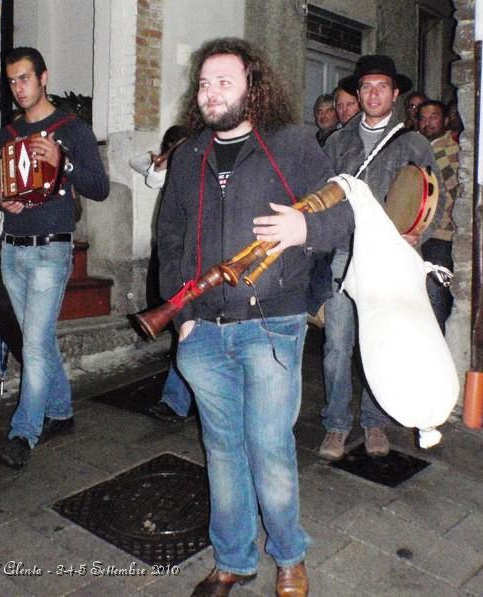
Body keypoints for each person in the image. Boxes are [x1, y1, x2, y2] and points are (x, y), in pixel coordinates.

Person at [157, 37, 352, 597]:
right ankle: (234, 559)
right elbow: (168, 240)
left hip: (271, 328)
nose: (212, 92)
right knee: (220, 451)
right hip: (203, 334)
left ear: (252, 86)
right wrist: (182, 316)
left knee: (268, 447)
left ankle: (289, 555)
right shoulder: (190, 155)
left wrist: (304, 230)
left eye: (225, 80)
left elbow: (344, 218)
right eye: (204, 83)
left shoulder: (291, 145)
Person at [0, 47, 109, 469]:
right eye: (12, 81)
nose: (18, 88)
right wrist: (2, 202)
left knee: (34, 345)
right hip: (13, 252)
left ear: (44, 77)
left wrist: (63, 162)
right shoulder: (8, 135)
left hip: (51, 249)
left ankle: (23, 433)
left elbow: (99, 187)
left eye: (24, 79)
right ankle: (61, 411)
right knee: (39, 341)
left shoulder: (72, 129)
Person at [319, 55, 446, 461]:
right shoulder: (337, 143)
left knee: (383, 344)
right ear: (358, 94)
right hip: (343, 254)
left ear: (394, 94)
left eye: (382, 87)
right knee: (337, 345)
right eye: (366, 87)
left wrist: (417, 232)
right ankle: (336, 424)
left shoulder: (414, 143)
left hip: (390, 262)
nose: (373, 94)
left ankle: (375, 422)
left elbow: (434, 198)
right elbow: (322, 198)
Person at [131, 126, 197, 424]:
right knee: (184, 329)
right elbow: (149, 173)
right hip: (172, 257)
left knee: (193, 332)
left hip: (201, 258)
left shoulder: (202, 164)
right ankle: (177, 399)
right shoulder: (173, 170)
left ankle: (179, 399)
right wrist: (171, 153)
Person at [417, 100, 460, 333]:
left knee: (436, 302)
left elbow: (451, 188)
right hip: (415, 236)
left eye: (433, 117)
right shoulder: (414, 146)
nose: (427, 123)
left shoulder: (455, 150)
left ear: (444, 120)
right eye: (422, 118)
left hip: (441, 235)